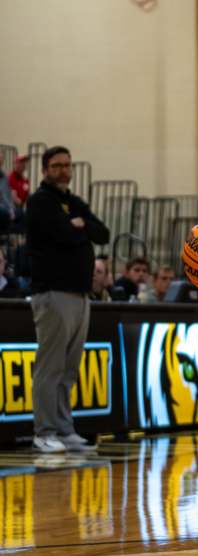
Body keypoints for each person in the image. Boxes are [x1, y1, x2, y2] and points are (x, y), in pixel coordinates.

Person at [26, 145, 110, 453]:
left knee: (69, 367)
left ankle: (64, 428)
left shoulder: (75, 202)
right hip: (52, 292)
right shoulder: (39, 202)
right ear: (45, 169)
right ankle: (44, 431)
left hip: (79, 294)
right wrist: (76, 228)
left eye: (67, 165)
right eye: (57, 165)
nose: (63, 170)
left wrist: (83, 225)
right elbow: (61, 234)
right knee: (50, 367)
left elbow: (103, 234)